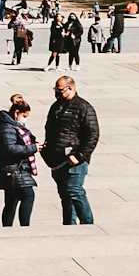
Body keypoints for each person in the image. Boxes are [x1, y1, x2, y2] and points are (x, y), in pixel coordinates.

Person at [42, 75, 99, 226]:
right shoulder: (56, 106)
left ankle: (87, 224)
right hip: (57, 159)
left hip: (74, 160)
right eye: (55, 90)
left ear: (70, 88)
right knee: (64, 194)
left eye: (59, 90)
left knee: (74, 190)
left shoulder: (83, 107)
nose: (57, 93)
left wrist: (79, 156)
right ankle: (69, 224)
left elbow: (93, 135)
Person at [0, 93, 37, 226]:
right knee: (28, 195)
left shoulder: (11, 125)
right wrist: (33, 148)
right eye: (24, 116)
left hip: (15, 167)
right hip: (14, 168)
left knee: (12, 200)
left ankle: (7, 228)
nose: (25, 120)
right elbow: (10, 149)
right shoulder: (6, 127)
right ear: (17, 113)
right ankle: (24, 227)